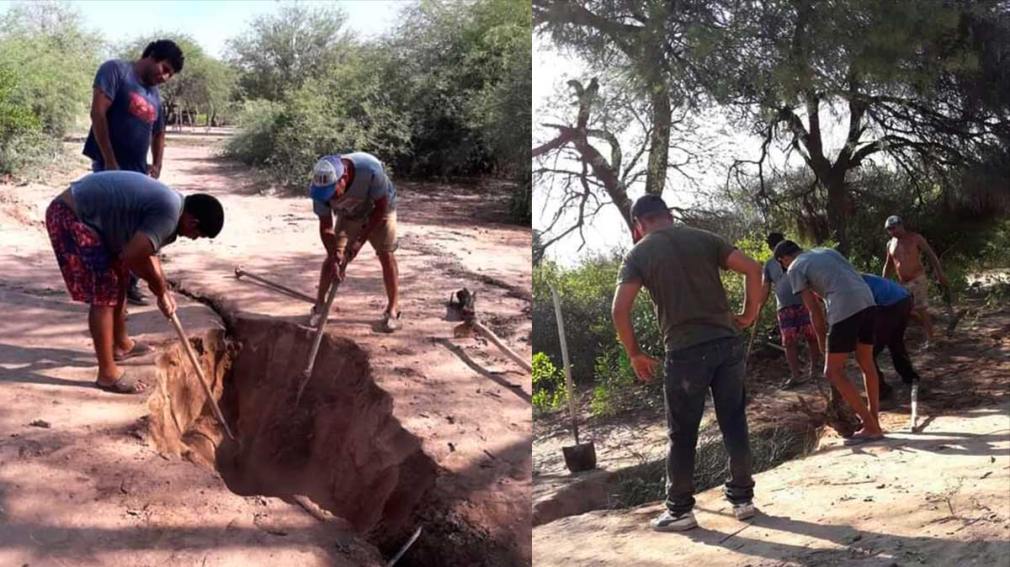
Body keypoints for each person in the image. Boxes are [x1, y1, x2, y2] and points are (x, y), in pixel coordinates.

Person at [611, 194, 762, 532]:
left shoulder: (638, 253)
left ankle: (680, 510)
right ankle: (743, 500)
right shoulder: (704, 238)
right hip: (727, 344)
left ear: (638, 225)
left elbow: (619, 310)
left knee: (682, 434)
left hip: (685, 352)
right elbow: (753, 268)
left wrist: (635, 352)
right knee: (734, 422)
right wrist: (749, 314)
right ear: (668, 215)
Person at [45, 171, 223, 394]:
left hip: (88, 218)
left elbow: (149, 253)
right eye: (197, 234)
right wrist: (158, 291)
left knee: (119, 278)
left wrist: (163, 290)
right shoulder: (168, 214)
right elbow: (133, 256)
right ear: (192, 221)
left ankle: (121, 345)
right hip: (71, 217)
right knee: (104, 292)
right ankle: (107, 375)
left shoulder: (172, 207)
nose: (192, 237)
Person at [82, 39, 185, 306]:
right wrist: (109, 160)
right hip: (109, 169)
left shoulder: (155, 96)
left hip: (139, 172)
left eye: (169, 75)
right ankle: (106, 289)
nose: (163, 77)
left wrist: (157, 163)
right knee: (111, 229)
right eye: (163, 68)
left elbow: (159, 132)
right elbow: (98, 113)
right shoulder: (115, 71)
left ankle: (128, 285)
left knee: (138, 230)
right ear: (150, 56)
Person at [774, 241, 884, 444]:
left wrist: (824, 345)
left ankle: (871, 427)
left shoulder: (794, 268)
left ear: (783, 259)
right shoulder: (826, 251)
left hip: (844, 307)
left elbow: (814, 311)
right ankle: (873, 421)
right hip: (868, 301)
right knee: (866, 363)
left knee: (832, 371)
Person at [308, 153, 400, 332]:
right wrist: (335, 256)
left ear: (343, 178)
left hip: (379, 211)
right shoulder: (318, 189)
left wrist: (359, 241)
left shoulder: (370, 169)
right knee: (333, 258)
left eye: (333, 193)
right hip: (349, 213)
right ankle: (319, 307)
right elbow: (326, 227)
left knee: (386, 253)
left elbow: (381, 207)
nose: (330, 199)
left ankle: (393, 310)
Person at [760, 232, 821, 389]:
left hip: (804, 303)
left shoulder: (800, 258)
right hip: (785, 307)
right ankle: (796, 375)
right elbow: (765, 288)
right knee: (789, 341)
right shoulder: (769, 264)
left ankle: (814, 370)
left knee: (812, 336)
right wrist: (758, 306)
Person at [882, 215, 950, 349]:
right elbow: (888, 264)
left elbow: (931, 255)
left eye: (893, 228)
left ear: (901, 225)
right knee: (905, 310)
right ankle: (929, 330)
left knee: (921, 309)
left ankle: (931, 339)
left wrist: (940, 273)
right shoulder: (890, 244)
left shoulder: (915, 238)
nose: (892, 231)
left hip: (917, 278)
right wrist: (883, 282)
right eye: (889, 229)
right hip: (903, 283)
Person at [861, 273, 922, 401]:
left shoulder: (850, 284)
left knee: (867, 353)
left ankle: (880, 389)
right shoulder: (860, 277)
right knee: (895, 341)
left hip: (890, 304)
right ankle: (910, 376)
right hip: (904, 299)